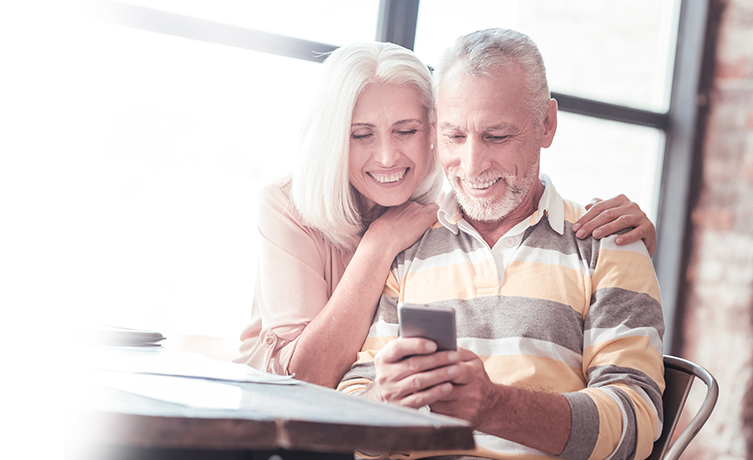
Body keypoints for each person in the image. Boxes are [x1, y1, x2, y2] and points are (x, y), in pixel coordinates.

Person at [236, 41, 658, 390]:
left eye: (406, 131)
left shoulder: (446, 206)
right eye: (361, 134)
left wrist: (629, 244)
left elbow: (513, 177)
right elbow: (304, 380)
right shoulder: (287, 207)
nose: (386, 156)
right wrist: (378, 245)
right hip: (275, 420)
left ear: (432, 131)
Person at [338, 29, 664, 460]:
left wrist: (494, 407)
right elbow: (353, 409)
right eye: (455, 137)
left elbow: (635, 425)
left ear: (545, 125)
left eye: (496, 136)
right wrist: (385, 401)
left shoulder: (610, 244)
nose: (472, 165)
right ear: (435, 129)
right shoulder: (404, 244)